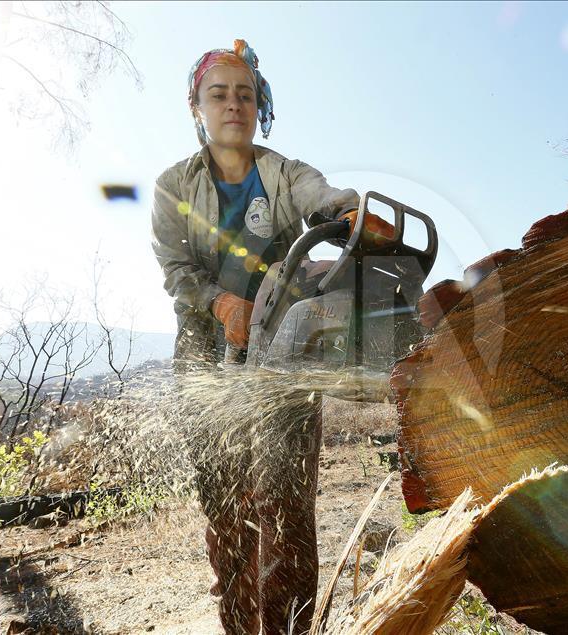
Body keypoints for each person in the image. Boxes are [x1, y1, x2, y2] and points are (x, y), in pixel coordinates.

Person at [151, 40, 393, 634]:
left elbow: (322, 197)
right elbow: (176, 270)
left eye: (245, 94)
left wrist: (351, 212)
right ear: (195, 106)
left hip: (280, 348)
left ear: (261, 104)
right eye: (218, 94)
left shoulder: (283, 173)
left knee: (283, 503)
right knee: (226, 506)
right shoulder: (173, 186)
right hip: (205, 349)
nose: (233, 104)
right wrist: (219, 301)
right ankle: (239, 626)